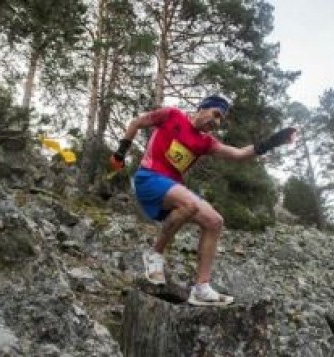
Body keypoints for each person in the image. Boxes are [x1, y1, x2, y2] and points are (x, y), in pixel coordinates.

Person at [110, 95, 296, 306]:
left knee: (215, 222)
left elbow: (237, 154)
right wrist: (120, 153)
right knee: (189, 204)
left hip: (173, 189)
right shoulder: (172, 115)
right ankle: (155, 255)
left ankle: (201, 288)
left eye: (220, 121)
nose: (216, 123)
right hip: (149, 178)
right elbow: (137, 122)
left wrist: (272, 142)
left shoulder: (205, 142)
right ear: (203, 108)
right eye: (216, 115)